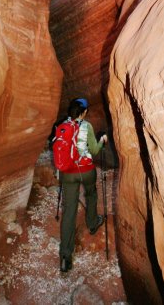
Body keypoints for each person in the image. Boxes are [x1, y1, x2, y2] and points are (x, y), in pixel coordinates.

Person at [58, 98, 108, 272]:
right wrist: (102, 141)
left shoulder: (62, 126)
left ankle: (65, 256)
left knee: (69, 210)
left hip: (68, 174)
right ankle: (93, 223)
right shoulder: (86, 126)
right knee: (91, 194)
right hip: (86, 170)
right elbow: (94, 150)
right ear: (83, 112)